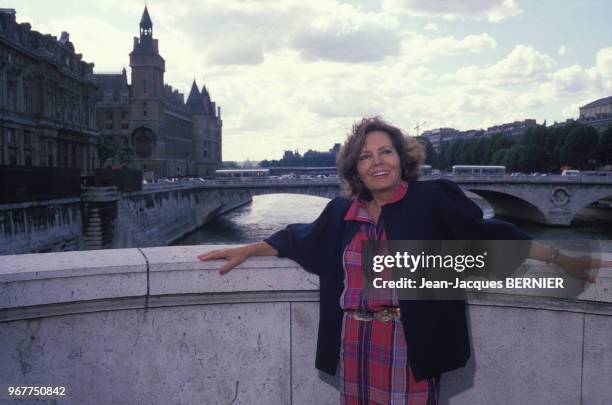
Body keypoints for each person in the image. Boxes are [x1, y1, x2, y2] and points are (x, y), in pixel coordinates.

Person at [197, 117, 607, 404]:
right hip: (352, 345)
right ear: (354, 168)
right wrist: (248, 248)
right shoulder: (342, 213)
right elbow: (297, 239)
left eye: (385, 151)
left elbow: (489, 237)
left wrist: (559, 257)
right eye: (365, 156)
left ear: (401, 158)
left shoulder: (431, 199)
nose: (377, 161)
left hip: (410, 346)